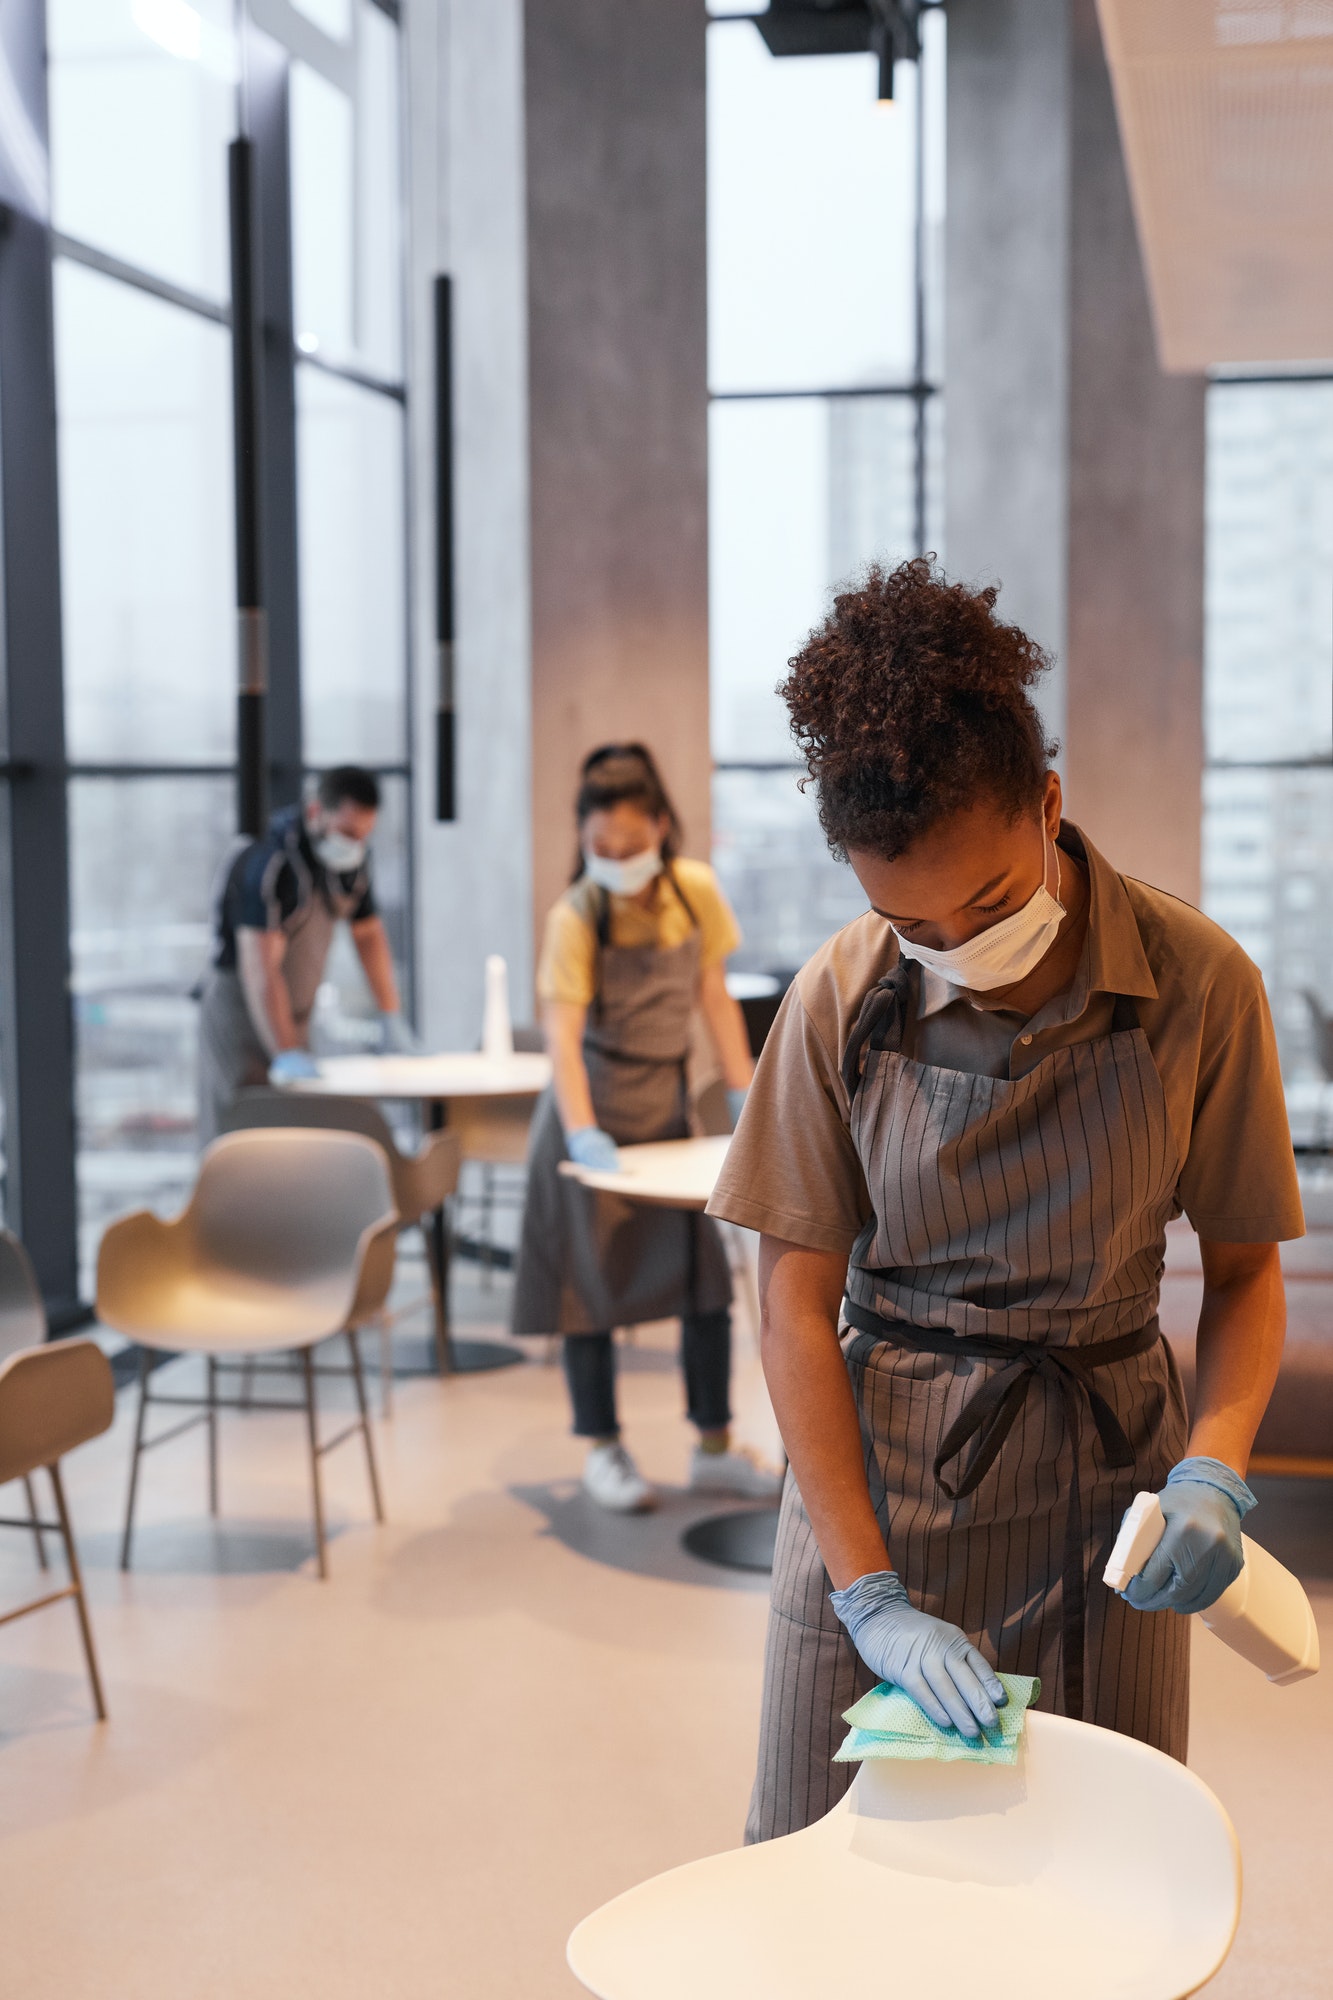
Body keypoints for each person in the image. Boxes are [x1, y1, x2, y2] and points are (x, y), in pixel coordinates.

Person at [706, 558, 1302, 1842]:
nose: (953, 949)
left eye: (982, 902)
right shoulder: (842, 999)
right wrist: (868, 1594)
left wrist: (1216, 1462)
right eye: (905, 919)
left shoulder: (1198, 983)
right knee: (826, 1869)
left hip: (1106, 1491)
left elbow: (1247, 1272)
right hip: (881, 1486)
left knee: (1089, 1880)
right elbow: (793, 1307)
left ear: (1047, 802)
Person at [513, 743, 781, 1514]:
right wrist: (583, 1133)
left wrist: (743, 1099)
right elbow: (561, 1038)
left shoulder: (694, 892)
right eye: (601, 847)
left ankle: (713, 1448)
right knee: (588, 1291)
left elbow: (716, 1000)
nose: (617, 859)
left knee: (704, 1284)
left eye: (631, 845)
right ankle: (602, 1449)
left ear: (662, 826)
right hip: (586, 1113)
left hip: (664, 1112)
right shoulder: (576, 916)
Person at [197, 766, 414, 1146]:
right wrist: (286, 1051)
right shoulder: (269, 860)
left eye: (363, 835)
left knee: (300, 1140)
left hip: (295, 1012)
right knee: (240, 1136)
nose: (355, 844)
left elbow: (368, 935)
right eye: (347, 833)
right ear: (316, 813)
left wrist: (390, 1014)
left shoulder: (351, 864)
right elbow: (259, 969)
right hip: (242, 1014)